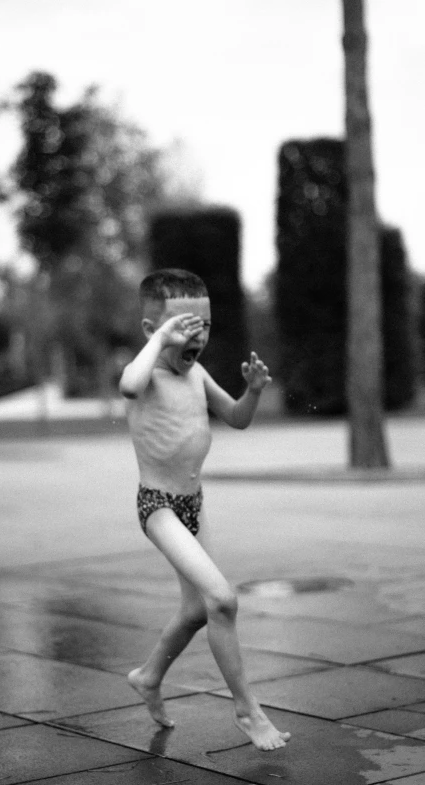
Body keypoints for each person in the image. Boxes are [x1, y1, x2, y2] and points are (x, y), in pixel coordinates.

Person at [119, 268, 290, 752]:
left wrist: (253, 391)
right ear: (153, 332)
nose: (196, 336)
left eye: (204, 326)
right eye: (183, 326)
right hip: (158, 508)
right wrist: (159, 342)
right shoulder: (145, 375)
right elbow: (129, 385)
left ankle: (149, 676)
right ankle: (247, 710)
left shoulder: (195, 375)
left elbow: (236, 419)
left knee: (196, 611)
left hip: (193, 506)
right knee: (222, 599)